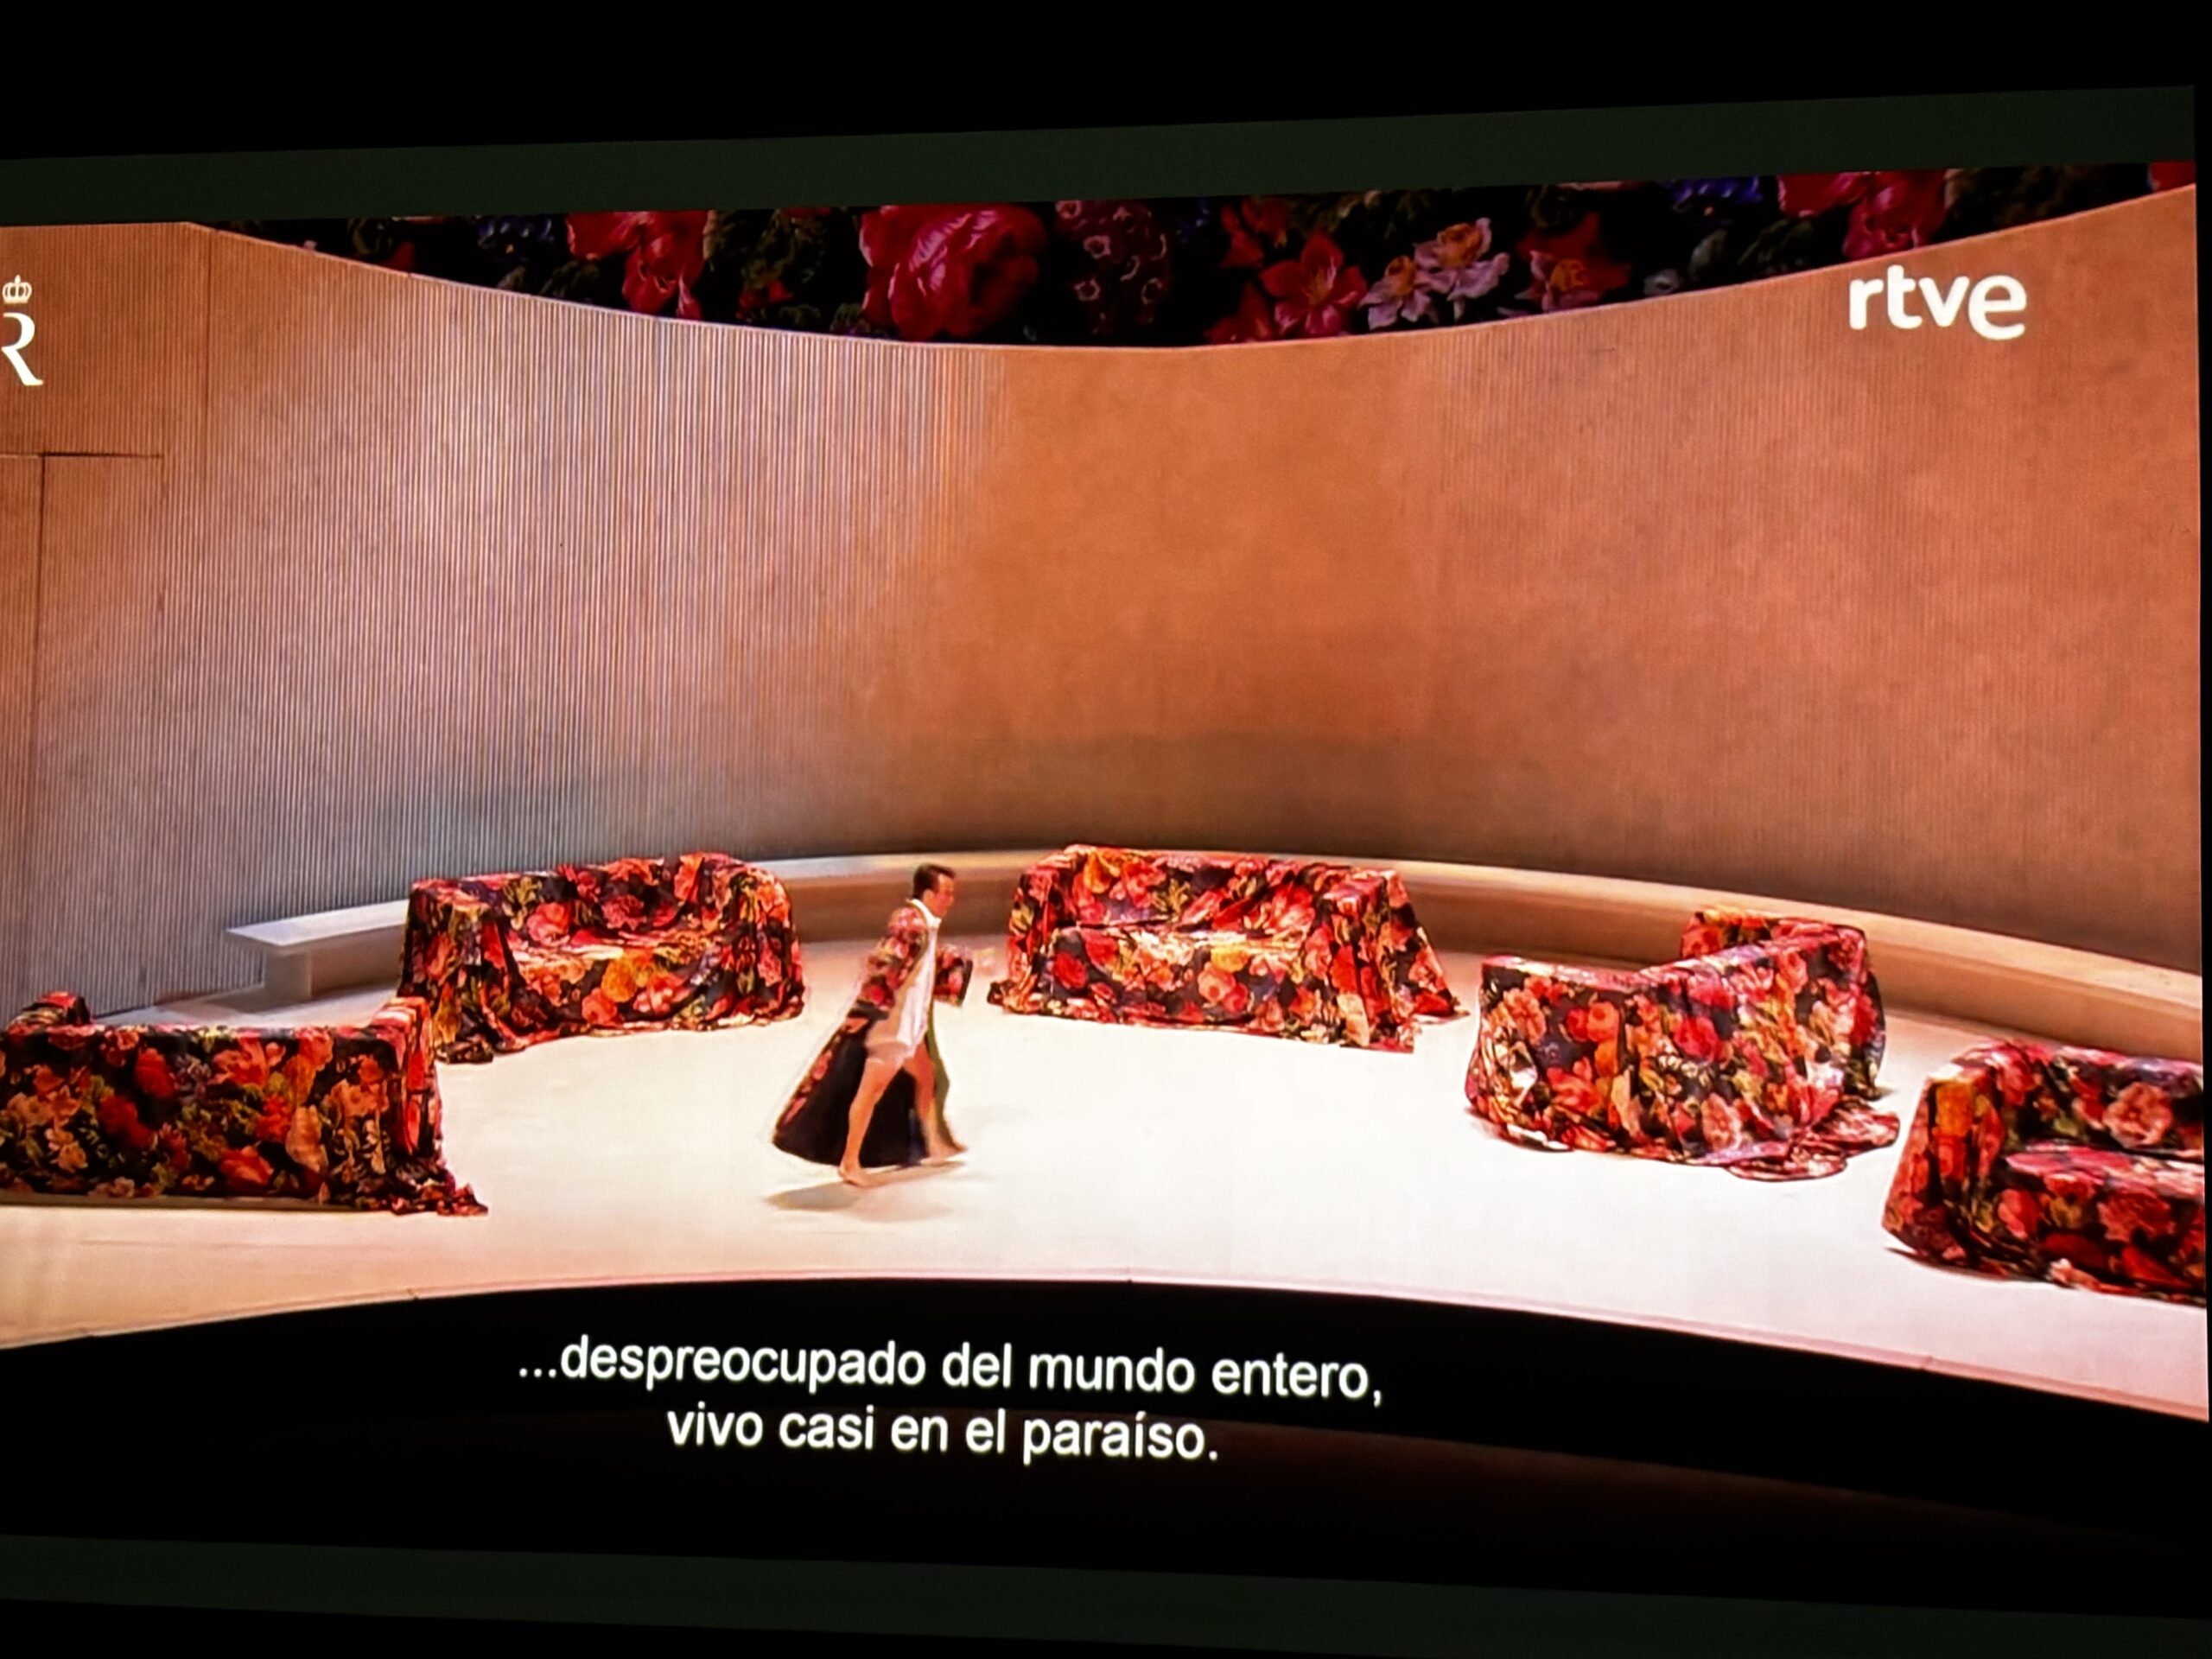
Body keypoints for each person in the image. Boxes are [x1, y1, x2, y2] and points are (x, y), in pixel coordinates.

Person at [772, 863, 974, 1186]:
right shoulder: (910, 925)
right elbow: (884, 968)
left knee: (926, 1078)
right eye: (946, 893)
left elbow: (921, 968)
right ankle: (850, 1162)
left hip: (911, 1027)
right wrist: (867, 1012)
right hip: (892, 1029)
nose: (950, 900)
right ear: (927, 893)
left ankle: (934, 1143)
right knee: (870, 1093)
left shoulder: (924, 925)